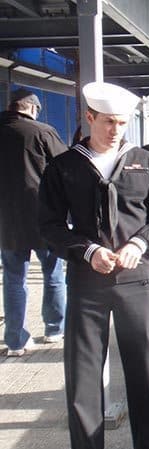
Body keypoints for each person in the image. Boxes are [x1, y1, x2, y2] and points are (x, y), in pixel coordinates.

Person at [38, 81, 149, 449]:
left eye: (122, 122)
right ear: (89, 118)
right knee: (82, 378)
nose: (116, 130)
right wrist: (86, 250)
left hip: (136, 279)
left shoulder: (145, 162)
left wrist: (139, 242)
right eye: (109, 122)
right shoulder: (63, 166)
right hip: (86, 281)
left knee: (147, 369)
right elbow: (49, 226)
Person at [0, 88, 68, 356]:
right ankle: (54, 329)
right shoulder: (42, 132)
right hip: (44, 216)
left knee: (14, 278)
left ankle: (16, 341)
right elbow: (65, 166)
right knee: (53, 273)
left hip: (7, 219)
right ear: (30, 108)